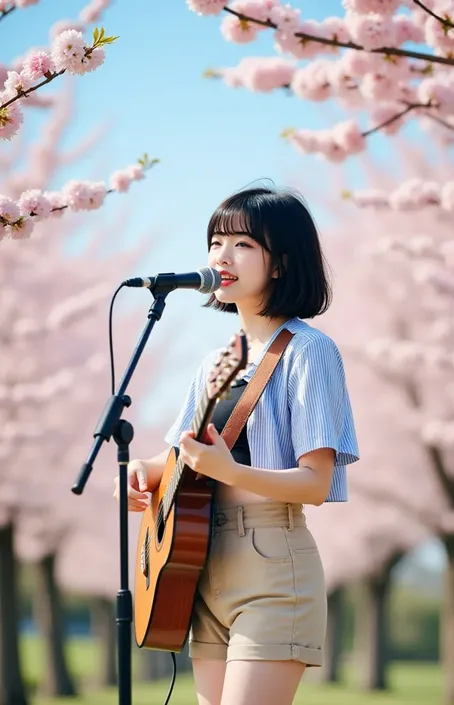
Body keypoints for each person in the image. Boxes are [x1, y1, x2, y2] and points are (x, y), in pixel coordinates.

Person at [114, 185, 359, 705]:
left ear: (281, 263)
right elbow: (184, 457)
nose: (221, 257)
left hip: (272, 565)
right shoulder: (217, 361)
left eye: (243, 245)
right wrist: (144, 471)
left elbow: (315, 484)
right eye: (215, 242)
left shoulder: (310, 351)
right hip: (201, 562)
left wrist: (225, 471)